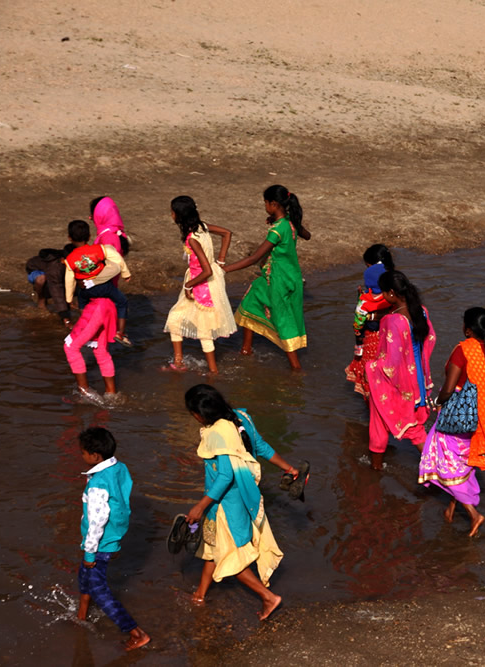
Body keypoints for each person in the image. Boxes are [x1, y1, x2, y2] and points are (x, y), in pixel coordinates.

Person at [183, 384, 284, 620]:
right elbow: (261, 447)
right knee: (214, 546)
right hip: (243, 495)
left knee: (232, 558)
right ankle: (200, 593)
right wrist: (289, 468)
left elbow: (225, 475)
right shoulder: (240, 417)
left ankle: (268, 597)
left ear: (199, 415)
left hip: (225, 503)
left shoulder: (217, 432)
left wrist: (201, 505)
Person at [418, 307, 485, 537]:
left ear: (467, 329)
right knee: (463, 464)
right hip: (479, 419)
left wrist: (435, 402)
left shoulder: (461, 351)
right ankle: (451, 510)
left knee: (446, 466)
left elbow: (448, 388)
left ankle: (474, 515)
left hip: (455, 418)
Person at [76, 427, 150, 651]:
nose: (81, 456)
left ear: (94, 456)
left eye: (83, 452)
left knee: (100, 590)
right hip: (114, 533)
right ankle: (81, 614)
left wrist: (90, 552)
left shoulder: (98, 484)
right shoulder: (119, 467)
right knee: (85, 575)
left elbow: (97, 521)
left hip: (100, 542)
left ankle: (136, 633)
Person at [223, 185, 309, 370]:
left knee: (282, 319)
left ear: (273, 204)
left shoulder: (277, 230)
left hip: (277, 280)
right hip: (289, 276)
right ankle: (246, 349)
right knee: (250, 302)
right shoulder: (289, 223)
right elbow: (306, 235)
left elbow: (254, 258)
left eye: (265, 203)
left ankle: (296, 367)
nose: (264, 206)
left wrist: (225, 269)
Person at [364, 270, 436, 470]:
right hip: (417, 380)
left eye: (383, 293)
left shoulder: (393, 321)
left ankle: (376, 469)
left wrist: (370, 367)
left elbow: (391, 362)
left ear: (391, 294)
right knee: (416, 426)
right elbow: (430, 340)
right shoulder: (420, 311)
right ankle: (439, 468)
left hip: (398, 381)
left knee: (381, 424)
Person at [162, 196, 237, 373]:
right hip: (203, 280)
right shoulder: (202, 227)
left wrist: (188, 285)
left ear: (178, 216)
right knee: (175, 319)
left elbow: (206, 271)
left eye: (172, 212)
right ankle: (179, 362)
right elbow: (227, 233)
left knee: (204, 329)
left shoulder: (192, 239)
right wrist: (221, 260)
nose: (171, 215)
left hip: (202, 284)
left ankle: (213, 371)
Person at [64, 220, 133, 346]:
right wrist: (125, 273)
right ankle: (121, 333)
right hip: (104, 286)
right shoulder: (99, 249)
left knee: (82, 305)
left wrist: (69, 299)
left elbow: (69, 280)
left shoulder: (70, 259)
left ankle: (85, 326)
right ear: (90, 237)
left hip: (85, 290)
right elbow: (117, 258)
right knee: (122, 302)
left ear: (70, 238)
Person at [345, 244, 395, 398]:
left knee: (370, 374)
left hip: (371, 337)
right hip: (389, 338)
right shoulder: (393, 295)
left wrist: (358, 336)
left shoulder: (365, 300)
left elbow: (358, 321)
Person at [64, 296, 119, 398]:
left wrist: (69, 298)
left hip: (96, 307)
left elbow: (75, 280)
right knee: (101, 351)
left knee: (70, 346)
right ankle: (111, 395)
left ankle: (84, 394)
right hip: (110, 305)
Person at [25, 244, 75, 325]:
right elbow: (56, 290)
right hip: (36, 270)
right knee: (41, 279)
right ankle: (41, 298)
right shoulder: (55, 268)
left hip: (55, 271)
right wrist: (65, 316)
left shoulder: (67, 262)